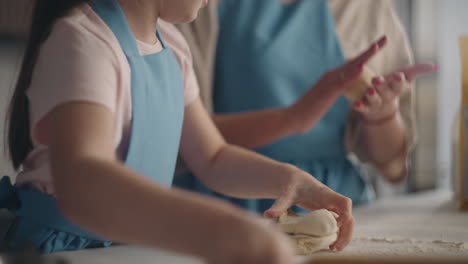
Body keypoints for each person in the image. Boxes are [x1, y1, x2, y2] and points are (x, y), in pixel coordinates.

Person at [0, 0, 370, 261]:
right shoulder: (82, 41)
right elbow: (85, 182)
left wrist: (292, 179)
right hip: (58, 248)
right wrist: (226, 230)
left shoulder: (173, 46)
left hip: (130, 244)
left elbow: (212, 157)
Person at [175, 0, 436, 212]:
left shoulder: (366, 9)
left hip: (334, 202)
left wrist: (382, 114)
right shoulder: (194, 7)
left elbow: (391, 165)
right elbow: (185, 133)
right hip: (230, 198)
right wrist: (295, 117)